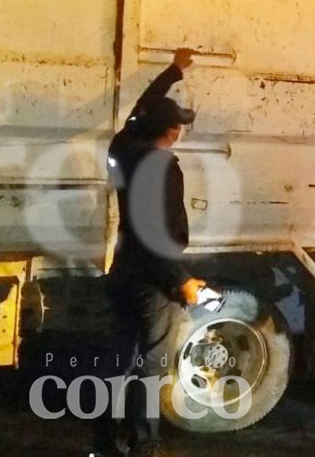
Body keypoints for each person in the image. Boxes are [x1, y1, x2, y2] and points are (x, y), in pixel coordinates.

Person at [94, 48, 206, 457]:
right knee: (153, 364)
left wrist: (174, 71)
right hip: (150, 278)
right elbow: (153, 234)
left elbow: (143, 108)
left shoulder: (125, 145)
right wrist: (183, 280)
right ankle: (146, 445)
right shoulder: (160, 168)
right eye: (176, 125)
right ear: (170, 132)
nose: (179, 131)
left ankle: (104, 442)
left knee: (119, 360)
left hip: (123, 270)